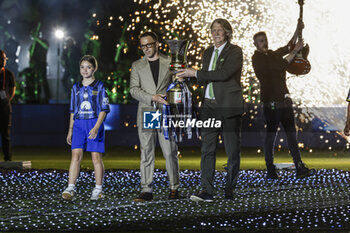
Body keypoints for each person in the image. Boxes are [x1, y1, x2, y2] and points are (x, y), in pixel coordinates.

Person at [178, 18, 244, 201]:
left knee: (232, 151)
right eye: (213, 29)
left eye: (219, 30)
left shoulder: (235, 51)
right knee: (207, 148)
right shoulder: (207, 52)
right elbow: (205, 78)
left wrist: (196, 73)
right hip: (208, 106)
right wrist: (187, 77)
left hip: (229, 106)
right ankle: (207, 190)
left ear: (227, 33)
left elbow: (223, 74)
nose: (216, 33)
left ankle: (229, 189)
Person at [252, 20, 315, 179]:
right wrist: (295, 51)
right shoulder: (257, 58)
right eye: (260, 41)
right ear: (255, 44)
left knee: (292, 136)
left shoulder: (272, 54)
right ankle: (270, 169)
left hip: (284, 102)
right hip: (271, 103)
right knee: (271, 136)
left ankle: (299, 167)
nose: (264, 43)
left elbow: (288, 47)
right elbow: (280, 65)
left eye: (265, 39)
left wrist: (297, 29)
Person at [130, 31, 180, 201]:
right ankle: (147, 189)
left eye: (149, 45)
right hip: (148, 111)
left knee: (170, 151)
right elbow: (133, 90)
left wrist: (172, 95)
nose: (146, 48)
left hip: (166, 111)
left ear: (157, 43)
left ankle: (174, 188)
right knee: (147, 151)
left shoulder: (170, 61)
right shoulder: (137, 65)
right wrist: (152, 97)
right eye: (143, 46)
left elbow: (178, 84)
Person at [62, 55, 110, 200]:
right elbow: (72, 110)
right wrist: (70, 129)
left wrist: (96, 127)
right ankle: (70, 188)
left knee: (96, 157)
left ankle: (98, 189)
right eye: (82, 67)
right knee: (75, 156)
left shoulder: (100, 86)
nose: (85, 70)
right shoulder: (76, 87)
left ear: (94, 68)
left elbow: (104, 109)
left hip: (93, 123)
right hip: (78, 125)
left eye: (88, 67)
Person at [0, 50, 16, 162]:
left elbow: (12, 90)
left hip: (5, 108)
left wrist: (6, 101)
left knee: (6, 135)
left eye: (4, 59)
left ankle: (8, 159)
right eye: (2, 59)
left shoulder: (9, 74)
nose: (3, 61)